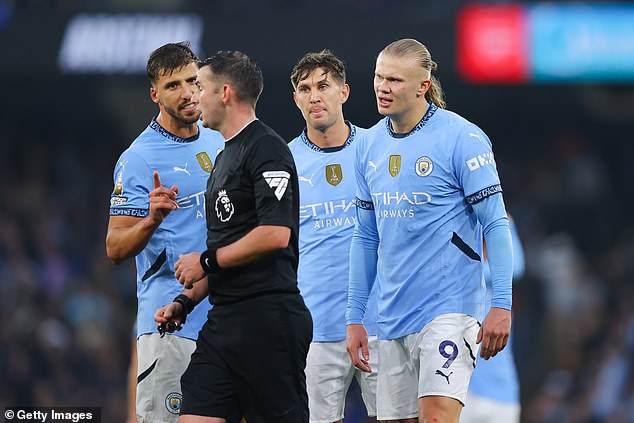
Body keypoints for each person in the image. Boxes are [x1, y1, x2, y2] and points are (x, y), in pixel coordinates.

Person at [345, 38, 514, 423]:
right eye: (378, 77)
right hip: (391, 316)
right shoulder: (367, 145)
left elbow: (495, 222)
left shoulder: (462, 137)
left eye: (395, 80)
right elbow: (365, 237)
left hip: (448, 308)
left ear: (423, 86)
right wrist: (356, 317)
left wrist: (500, 305)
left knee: (437, 418)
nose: (383, 87)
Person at [172, 50, 313, 423]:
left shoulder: (266, 148)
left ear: (225, 93)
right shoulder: (223, 159)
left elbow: (275, 234)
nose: (192, 96)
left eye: (199, 87)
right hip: (224, 322)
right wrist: (184, 303)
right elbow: (224, 251)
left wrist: (204, 261)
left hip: (268, 318)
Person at [106, 41, 225, 423]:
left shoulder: (218, 139)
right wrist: (151, 221)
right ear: (155, 95)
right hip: (170, 323)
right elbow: (114, 247)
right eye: (174, 85)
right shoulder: (139, 158)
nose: (188, 92)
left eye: (193, 81)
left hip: (226, 315)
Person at [288, 50, 380, 423]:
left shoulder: (378, 148)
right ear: (295, 99)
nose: (314, 96)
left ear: (344, 92)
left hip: (381, 322)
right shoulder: (282, 161)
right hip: (315, 328)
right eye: (305, 89)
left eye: (323, 86)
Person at [461, 218, 525, 423]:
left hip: (503, 393)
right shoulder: (458, 283)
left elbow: (518, 266)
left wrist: (502, 217)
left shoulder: (500, 290)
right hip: (462, 390)